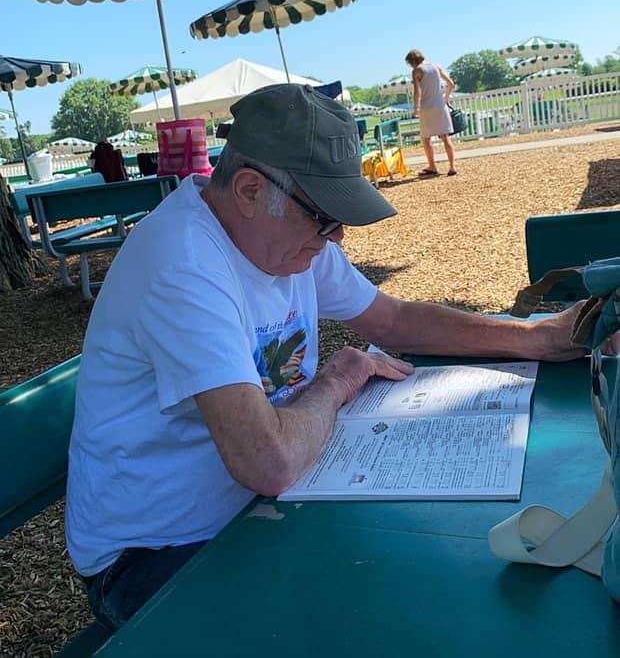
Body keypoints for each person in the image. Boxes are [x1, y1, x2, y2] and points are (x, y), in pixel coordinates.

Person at [66, 83, 597, 632]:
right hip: (157, 553)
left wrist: (534, 337)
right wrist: (337, 380)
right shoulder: (183, 265)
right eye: (324, 216)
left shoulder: (279, 234)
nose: (337, 236)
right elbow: (268, 462)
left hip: (258, 511)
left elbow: (392, 320)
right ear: (249, 189)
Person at [405, 48, 457, 177]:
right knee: (445, 137)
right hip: (440, 105)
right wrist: (446, 97)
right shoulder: (436, 67)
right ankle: (452, 166)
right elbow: (451, 83)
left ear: (412, 61)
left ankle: (432, 166)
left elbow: (417, 93)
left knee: (426, 138)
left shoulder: (417, 71)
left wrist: (416, 108)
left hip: (426, 107)